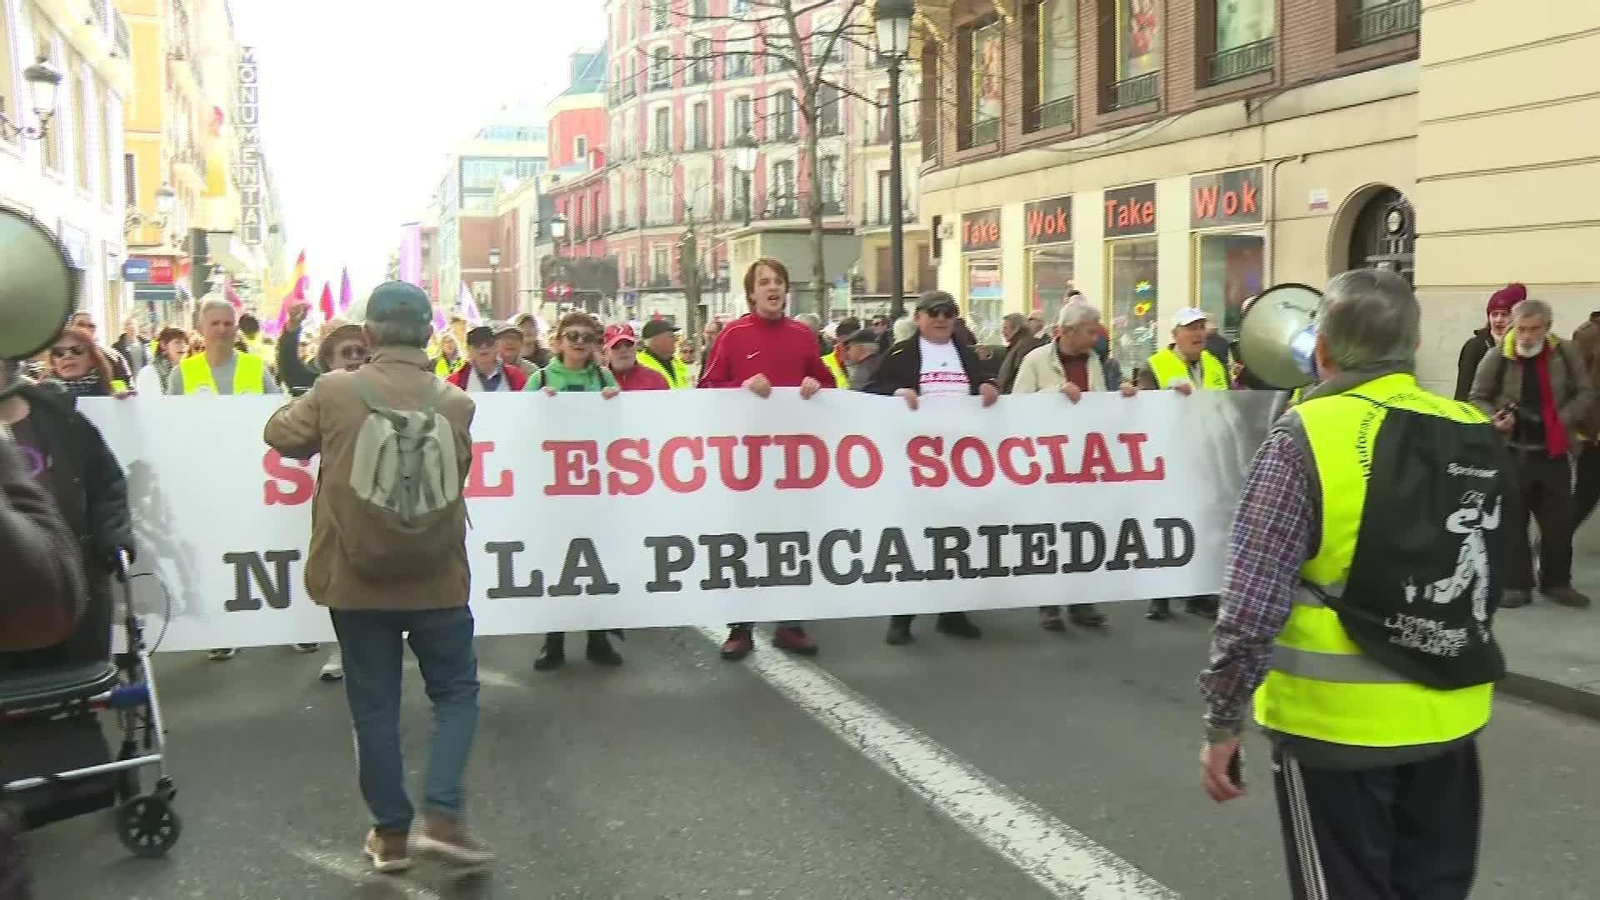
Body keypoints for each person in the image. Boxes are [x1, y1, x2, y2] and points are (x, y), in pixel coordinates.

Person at [1199, 268, 1513, 900]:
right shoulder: (1471, 426)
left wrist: (1221, 722)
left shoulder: (1303, 437)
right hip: (1449, 716)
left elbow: (1252, 603)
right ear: (1415, 347)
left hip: (1335, 733)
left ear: (1321, 350)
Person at [263, 282, 490, 873]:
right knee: (456, 695)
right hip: (439, 577)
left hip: (356, 578)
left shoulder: (336, 391)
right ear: (429, 335)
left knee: (375, 708)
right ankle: (443, 815)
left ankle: (390, 837)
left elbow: (281, 436)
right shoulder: (456, 401)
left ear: (367, 337)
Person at [698, 258, 836, 660]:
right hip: (746, 457)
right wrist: (741, 386)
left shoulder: (802, 336)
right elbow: (707, 385)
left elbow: (828, 384)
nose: (772, 288)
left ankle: (790, 624)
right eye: (764, 282)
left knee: (792, 538)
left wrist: (816, 383)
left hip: (793, 459)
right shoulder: (734, 334)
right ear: (751, 292)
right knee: (744, 540)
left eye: (779, 281)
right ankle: (740, 627)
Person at [865, 291, 1000, 645]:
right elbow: (868, 390)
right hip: (915, 465)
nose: (941, 319)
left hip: (961, 464)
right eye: (934, 313)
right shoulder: (899, 354)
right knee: (912, 540)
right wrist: (895, 392)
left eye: (949, 312)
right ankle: (902, 618)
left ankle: (951, 612)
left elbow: (988, 381)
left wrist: (989, 385)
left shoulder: (967, 354)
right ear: (919, 317)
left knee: (956, 539)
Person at [167, 297, 287, 661]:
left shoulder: (256, 367)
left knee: (268, 549)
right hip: (207, 480)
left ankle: (289, 626)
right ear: (201, 329)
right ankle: (222, 631)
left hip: (255, 476)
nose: (221, 330)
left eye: (227, 323)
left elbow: (277, 415)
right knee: (215, 554)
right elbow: (168, 424)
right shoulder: (181, 374)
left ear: (236, 328)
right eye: (214, 323)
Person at [1013, 302, 1138, 630]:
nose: (1096, 335)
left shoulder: (1097, 361)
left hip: (1088, 461)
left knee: (1085, 531)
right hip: (1049, 463)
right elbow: (1017, 403)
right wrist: (1055, 392)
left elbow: (1105, 399)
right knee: (1052, 531)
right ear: (1066, 332)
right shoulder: (1036, 361)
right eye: (1090, 330)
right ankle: (1049, 605)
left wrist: (1124, 393)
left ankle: (1082, 601)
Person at [1469, 296, 1592, 609]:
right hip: (1514, 451)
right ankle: (1515, 585)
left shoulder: (1565, 352)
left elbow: (1585, 392)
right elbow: (1478, 397)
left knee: (1559, 523)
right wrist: (1494, 418)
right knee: (1512, 521)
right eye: (1520, 329)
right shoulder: (1499, 356)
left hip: (1553, 451)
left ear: (1546, 329)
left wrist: (1562, 419)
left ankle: (1557, 583)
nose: (1525, 336)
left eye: (1532, 330)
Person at [525, 312, 625, 669]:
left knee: (598, 562)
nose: (579, 341)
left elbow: (621, 427)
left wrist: (616, 402)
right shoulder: (540, 378)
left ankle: (597, 640)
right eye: (572, 335)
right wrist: (536, 405)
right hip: (552, 488)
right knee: (556, 566)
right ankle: (553, 643)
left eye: (586, 336)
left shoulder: (604, 377)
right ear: (558, 341)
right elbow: (519, 424)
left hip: (595, 486)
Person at [1140, 307, 1229, 620]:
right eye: (1190, 328)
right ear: (1174, 335)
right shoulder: (1154, 365)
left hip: (1207, 455)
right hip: (1169, 458)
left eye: (1202, 327)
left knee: (1205, 525)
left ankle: (1199, 593)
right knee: (1166, 525)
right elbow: (1141, 410)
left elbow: (1227, 404)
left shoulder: (1215, 364)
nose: (1198, 334)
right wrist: (1167, 395)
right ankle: (1159, 597)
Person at [277, 303, 370, 398]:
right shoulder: (318, 387)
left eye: (360, 351)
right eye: (346, 352)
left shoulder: (377, 386)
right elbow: (293, 374)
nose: (354, 356)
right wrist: (292, 329)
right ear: (329, 360)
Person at [1455, 285, 1519, 401]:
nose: (1498, 320)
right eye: (1494, 314)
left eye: (1504, 314)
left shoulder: (1522, 346)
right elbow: (1463, 390)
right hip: (1480, 414)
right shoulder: (1475, 346)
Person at [1571, 307, 1600, 529]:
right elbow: (1573, 385)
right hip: (1594, 435)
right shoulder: (1588, 334)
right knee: (1585, 496)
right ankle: (1550, 547)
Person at [43, 325, 130, 399]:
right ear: (53, 361)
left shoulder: (115, 390)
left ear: (92, 358)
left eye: (77, 350)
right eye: (59, 352)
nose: (68, 356)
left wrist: (124, 403)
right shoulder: (41, 395)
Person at [447, 325, 529, 393]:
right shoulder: (454, 381)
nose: (483, 347)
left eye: (489, 343)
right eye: (477, 344)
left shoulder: (515, 376)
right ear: (469, 350)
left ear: (496, 346)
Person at [603, 323, 670, 391]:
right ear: (606, 351)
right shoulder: (598, 380)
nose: (624, 350)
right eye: (616, 346)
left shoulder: (655, 379)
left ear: (636, 347)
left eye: (628, 344)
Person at [996, 311, 1048, 395]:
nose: (1002, 332)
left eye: (1005, 328)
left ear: (1016, 329)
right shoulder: (1018, 344)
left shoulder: (1024, 345)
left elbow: (1019, 375)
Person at [637, 319, 692, 388]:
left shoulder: (678, 364)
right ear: (655, 340)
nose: (676, 339)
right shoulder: (639, 364)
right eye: (671, 336)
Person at [134, 327, 189, 397]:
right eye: (177, 342)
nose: (183, 346)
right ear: (163, 345)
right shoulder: (148, 373)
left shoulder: (190, 370)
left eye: (186, 342)